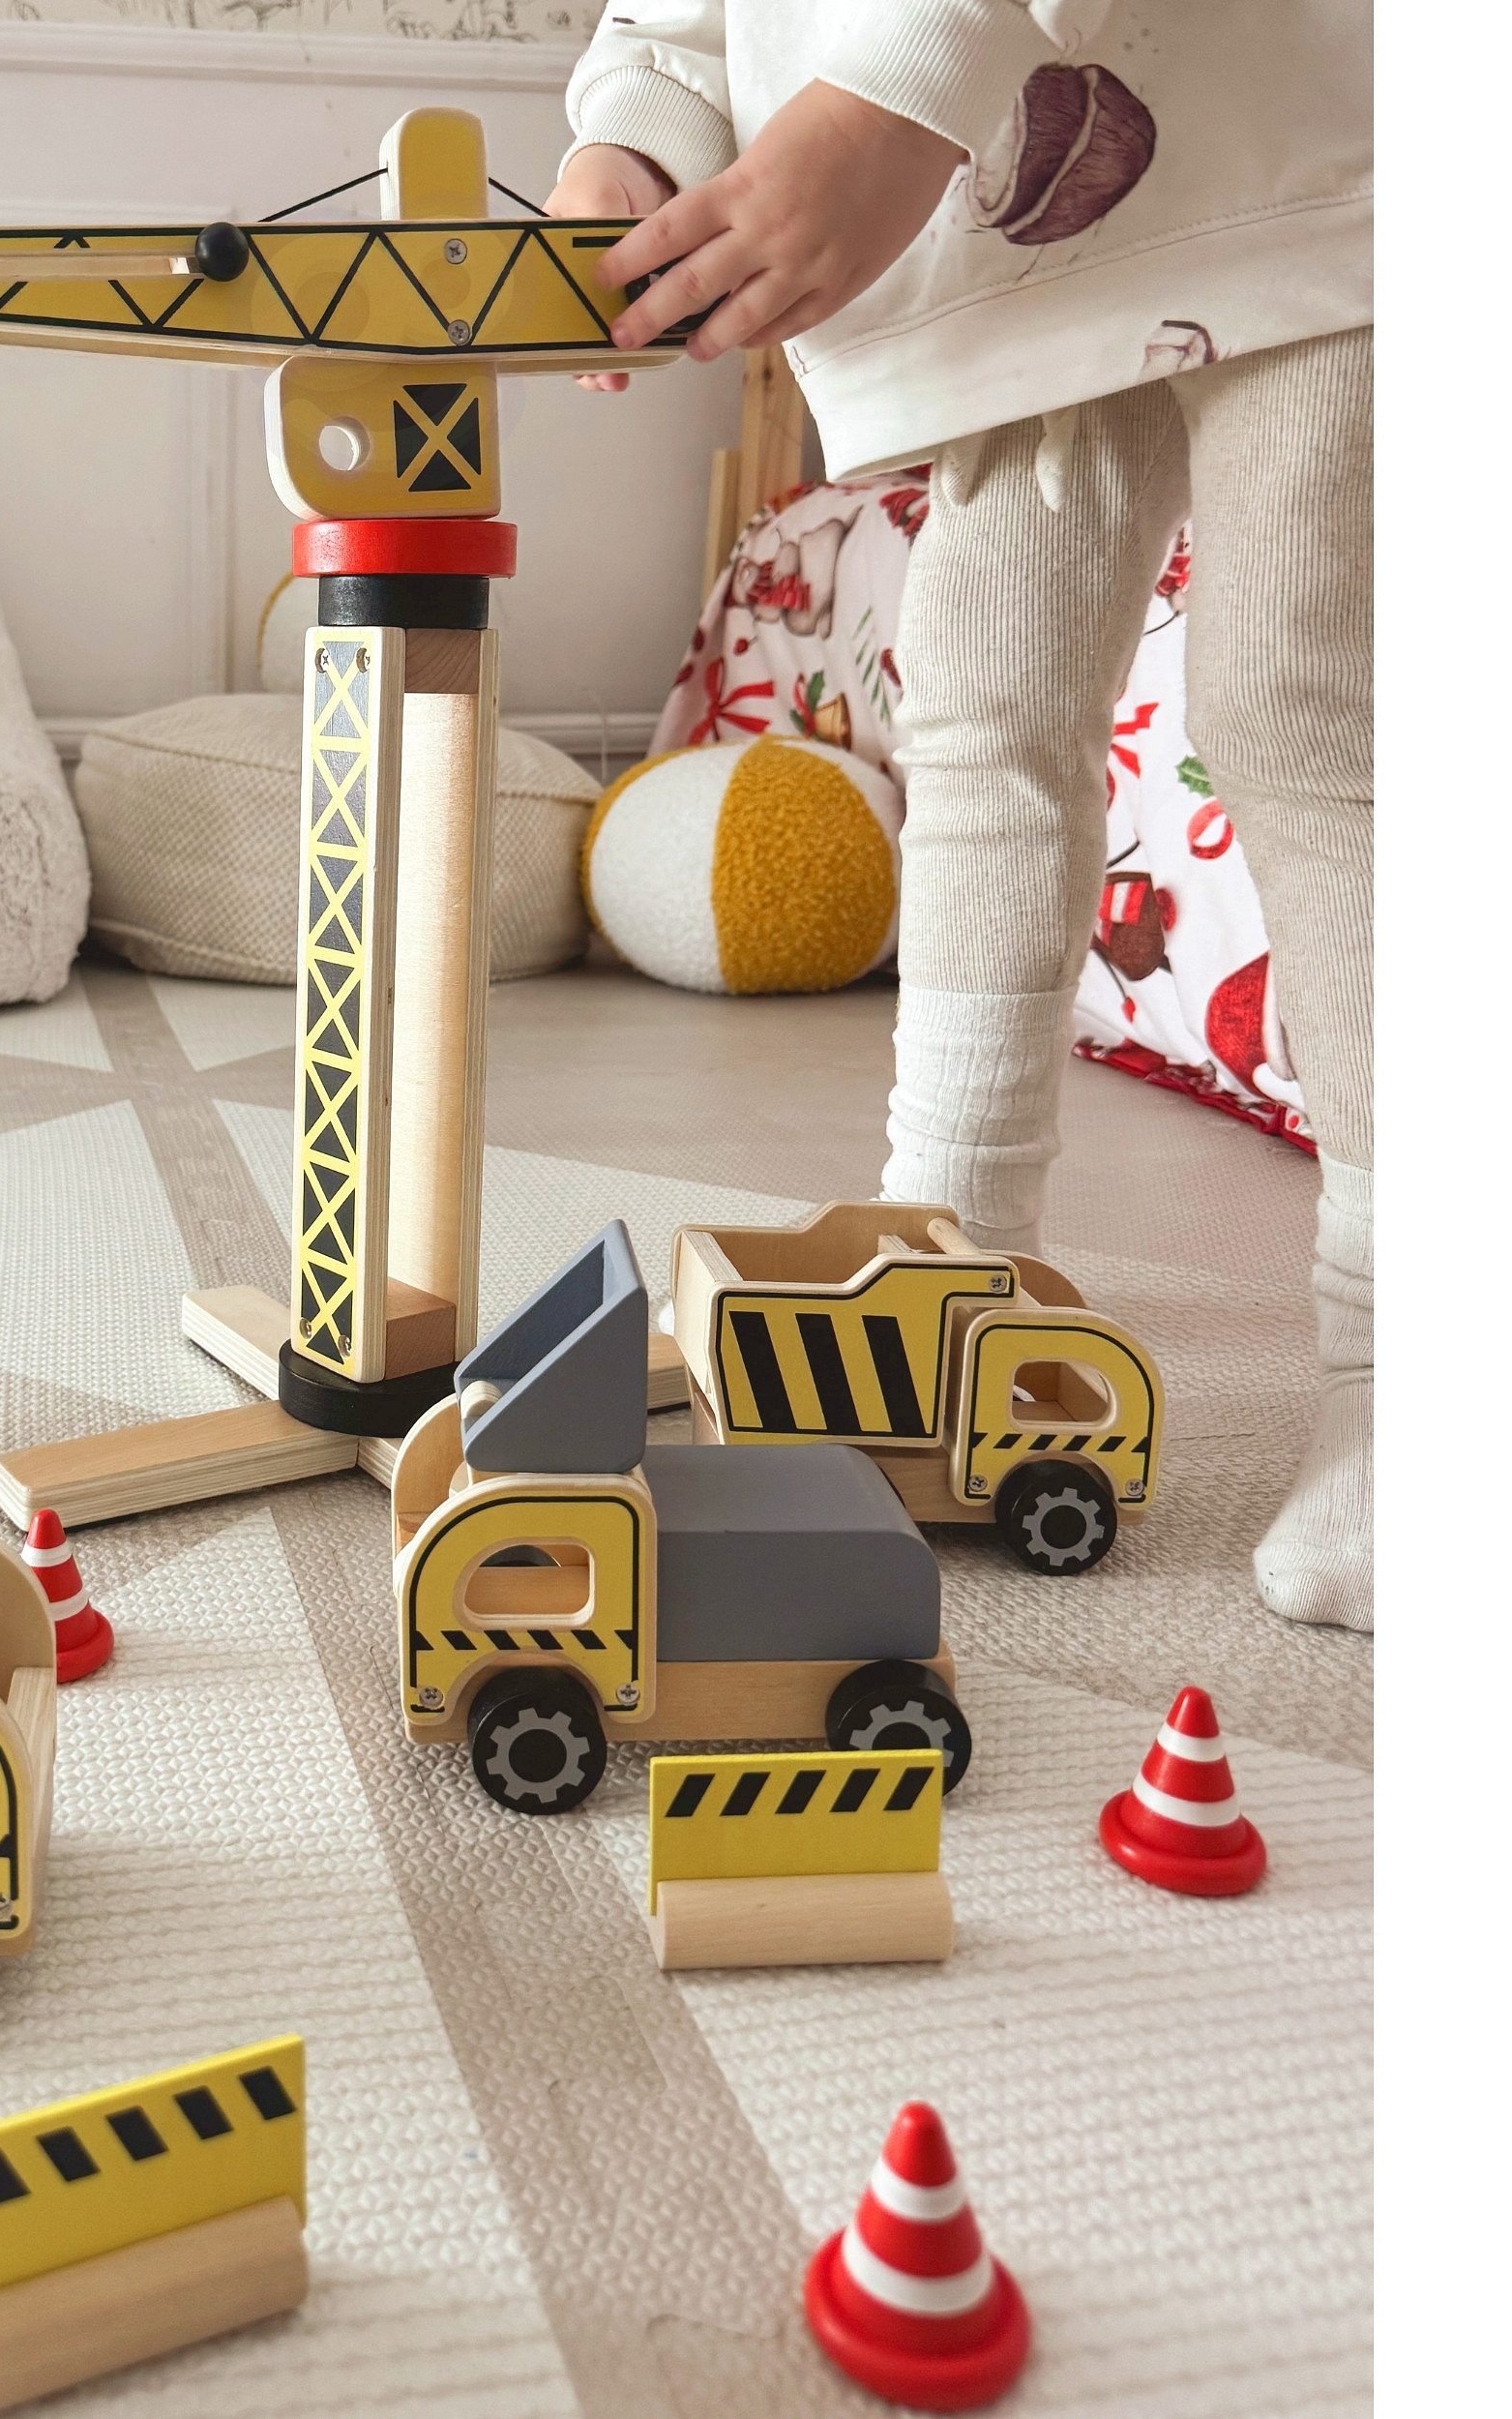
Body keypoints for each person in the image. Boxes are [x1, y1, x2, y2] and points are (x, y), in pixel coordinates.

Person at [547, 2, 1373, 1629]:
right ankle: (949, 1245)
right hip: (997, 254)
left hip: (1295, 153)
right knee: (983, 712)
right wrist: (638, 129)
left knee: (1308, 706)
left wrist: (899, 94)